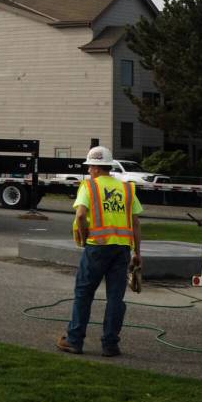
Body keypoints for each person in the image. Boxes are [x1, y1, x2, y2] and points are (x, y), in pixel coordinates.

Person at [56, 144, 142, 357]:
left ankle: (75, 340)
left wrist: (85, 238)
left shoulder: (89, 187)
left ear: (95, 167)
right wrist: (137, 253)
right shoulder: (126, 189)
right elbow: (135, 222)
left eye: (89, 167)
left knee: (84, 294)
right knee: (115, 298)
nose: (88, 171)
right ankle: (110, 345)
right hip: (121, 250)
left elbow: (79, 215)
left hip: (97, 248)